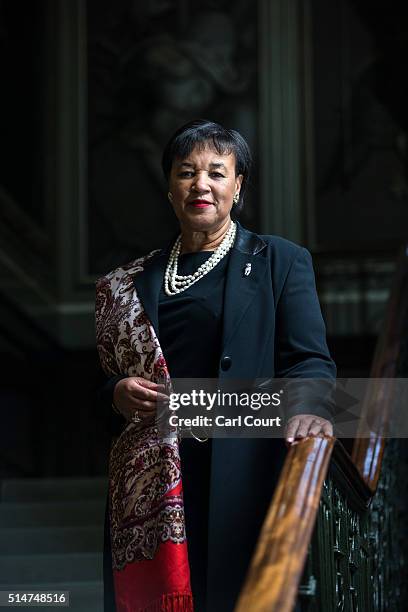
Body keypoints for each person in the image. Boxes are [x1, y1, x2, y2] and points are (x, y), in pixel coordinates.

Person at [95, 119, 336, 612]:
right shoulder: (133, 280)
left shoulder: (280, 262)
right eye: (186, 172)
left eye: (216, 172)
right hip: (154, 482)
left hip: (242, 471)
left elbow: (309, 359)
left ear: (237, 185)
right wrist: (116, 392)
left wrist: (309, 407)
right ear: (169, 189)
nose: (200, 184)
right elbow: (101, 379)